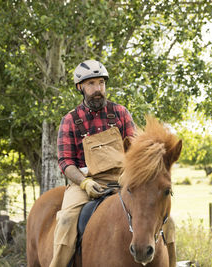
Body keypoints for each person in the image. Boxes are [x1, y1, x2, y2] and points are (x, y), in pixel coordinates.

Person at [51, 59, 176, 267]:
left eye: (101, 83)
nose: (98, 89)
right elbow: (65, 161)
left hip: (122, 178)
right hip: (85, 182)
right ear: (80, 87)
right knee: (66, 221)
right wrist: (84, 183)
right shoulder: (70, 120)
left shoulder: (120, 113)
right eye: (91, 84)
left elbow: (137, 153)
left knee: (167, 221)